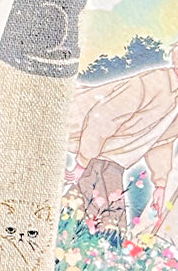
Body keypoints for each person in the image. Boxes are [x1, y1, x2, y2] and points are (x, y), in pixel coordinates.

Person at [67, 43, 178, 232]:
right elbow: (102, 118)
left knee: (88, 214)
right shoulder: (152, 83)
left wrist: (160, 185)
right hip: (91, 147)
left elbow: (161, 143)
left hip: (110, 161)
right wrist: (82, 163)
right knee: (107, 224)